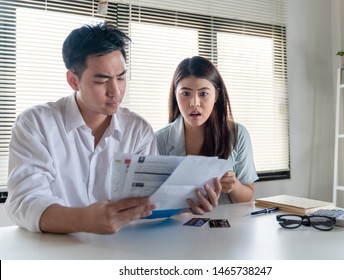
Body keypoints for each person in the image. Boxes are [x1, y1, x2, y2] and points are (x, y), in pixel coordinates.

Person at [6, 23, 220, 234]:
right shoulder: (36, 124)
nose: (115, 91)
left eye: (121, 77)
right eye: (102, 81)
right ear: (73, 80)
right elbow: (25, 201)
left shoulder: (138, 131)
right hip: (53, 253)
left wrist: (187, 203)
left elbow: (149, 202)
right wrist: (85, 220)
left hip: (122, 251)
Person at [156, 56, 258, 205]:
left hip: (226, 225)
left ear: (216, 95)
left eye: (203, 94)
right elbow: (155, 200)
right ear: (175, 95)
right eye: (186, 93)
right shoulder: (159, 139)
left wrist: (234, 185)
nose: (194, 103)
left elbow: (247, 197)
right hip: (178, 224)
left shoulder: (238, 134)